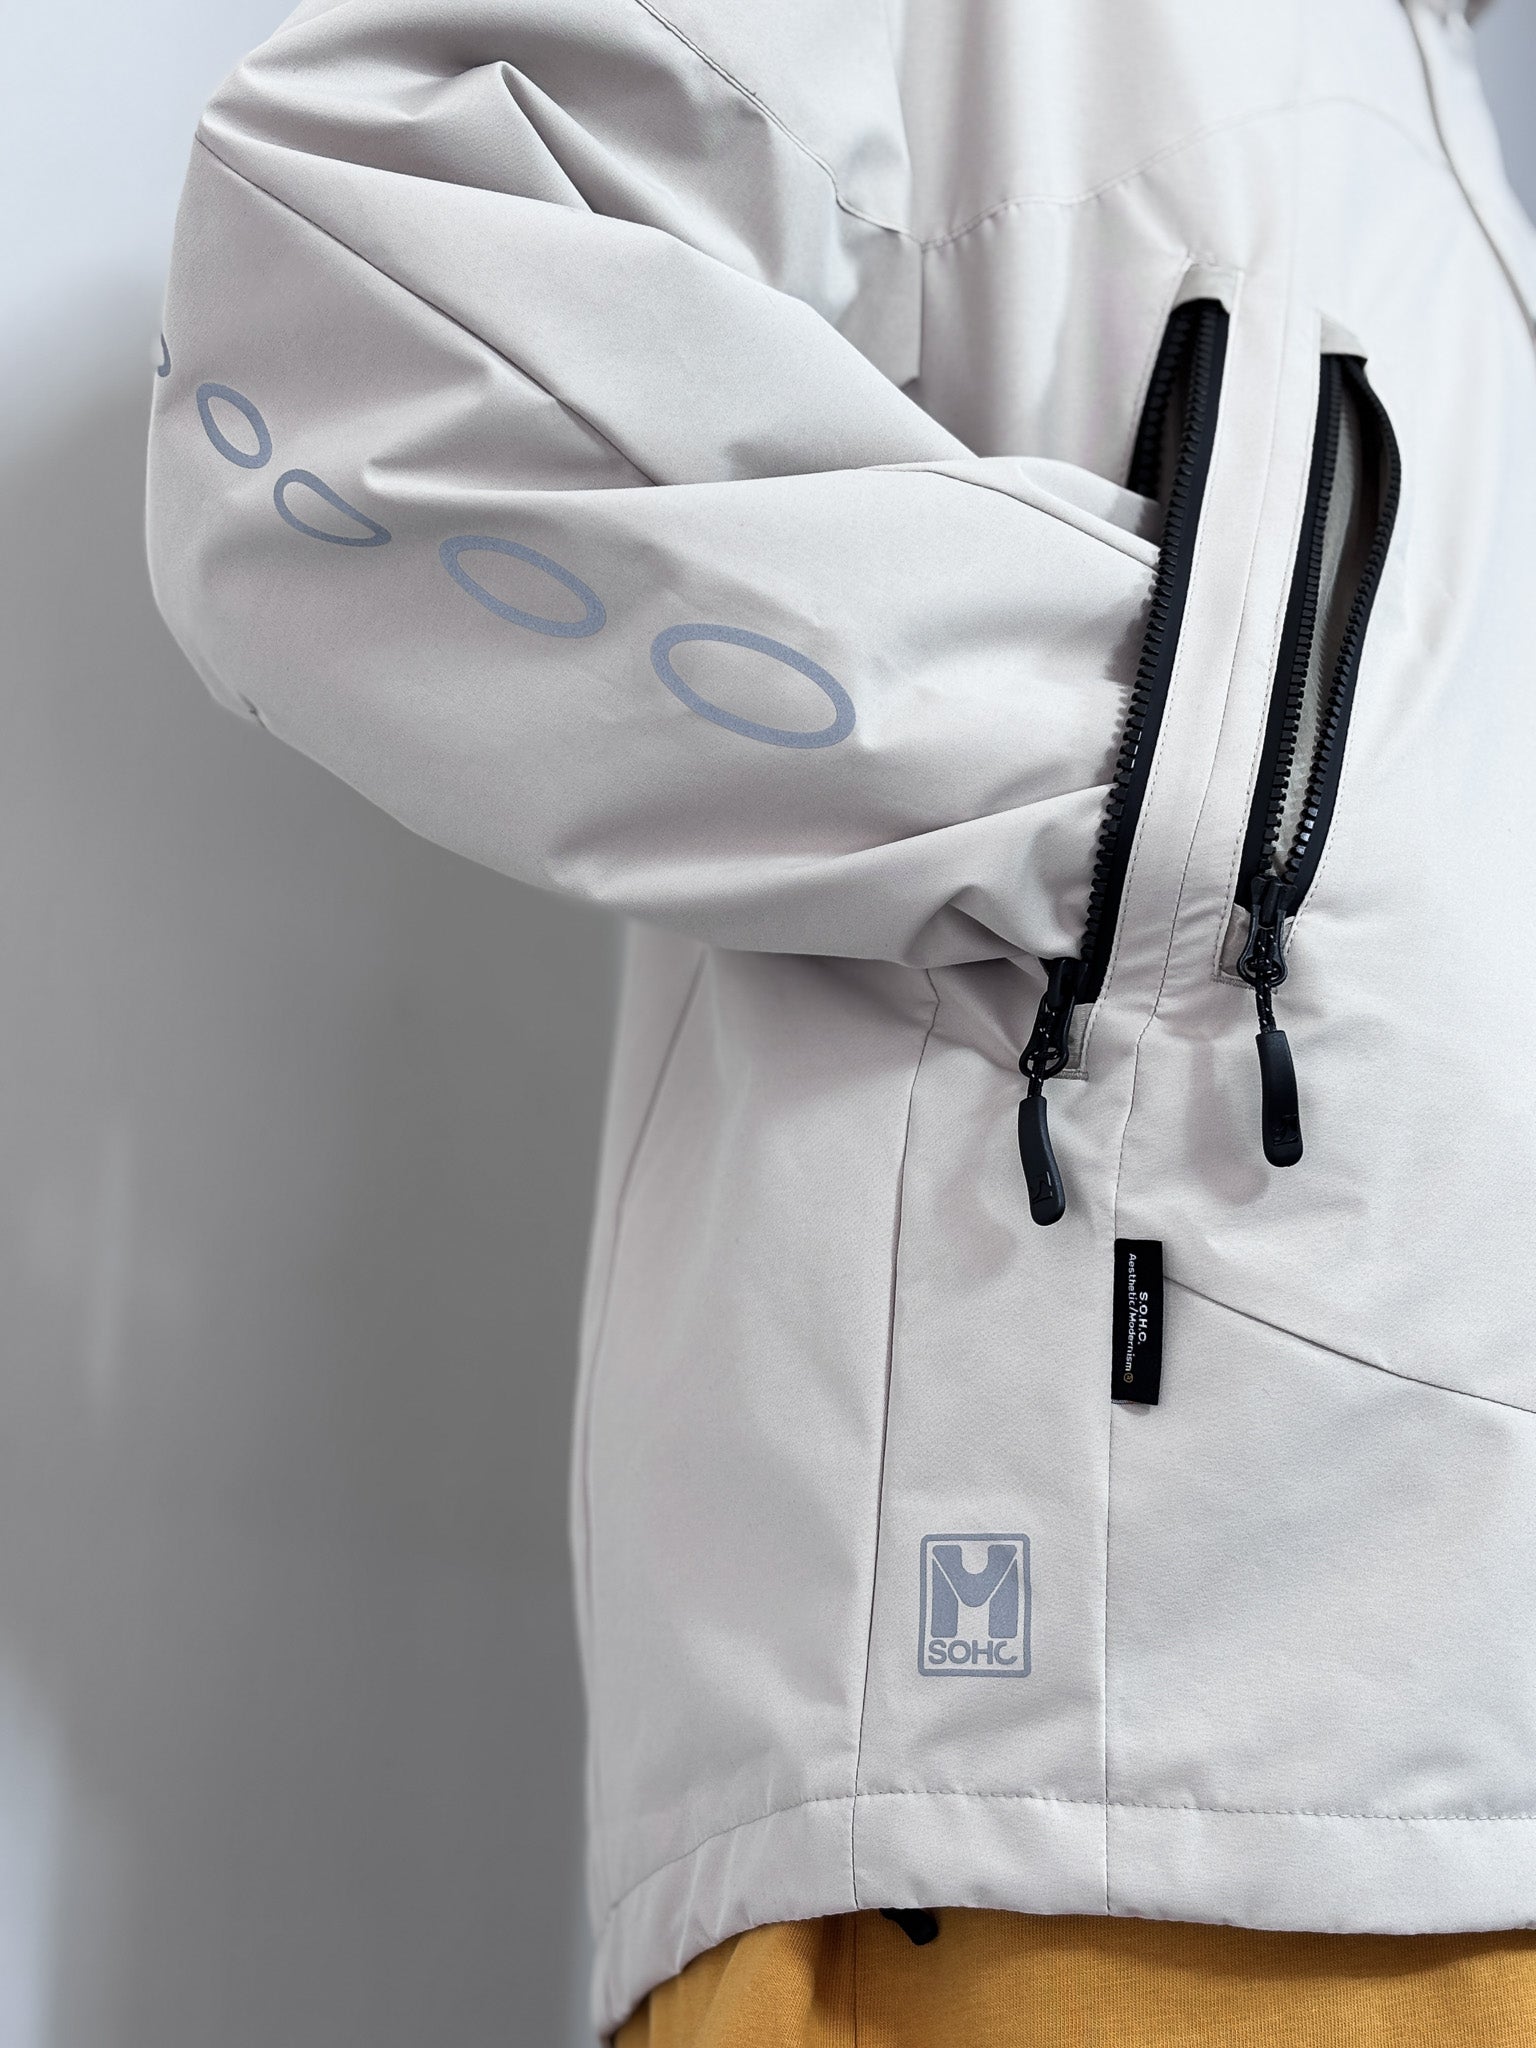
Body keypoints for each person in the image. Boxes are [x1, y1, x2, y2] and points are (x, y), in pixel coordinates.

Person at [146, 0, 1536, 2039]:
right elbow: (344, 341)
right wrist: (1179, 793)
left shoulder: (1425, 107)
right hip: (1101, 1779)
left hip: (1418, 1736)